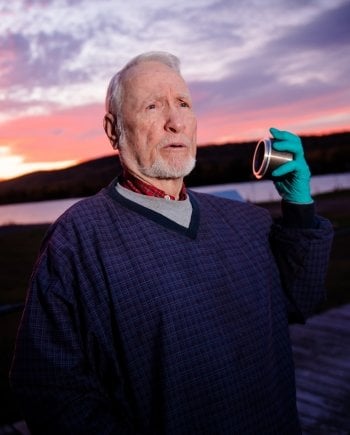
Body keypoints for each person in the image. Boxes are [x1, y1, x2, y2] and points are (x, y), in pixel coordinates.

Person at [10, 51, 333, 435]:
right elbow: (51, 391)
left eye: (183, 104)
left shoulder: (245, 219)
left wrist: (298, 207)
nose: (175, 122)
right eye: (152, 106)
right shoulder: (77, 240)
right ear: (114, 130)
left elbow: (301, 298)